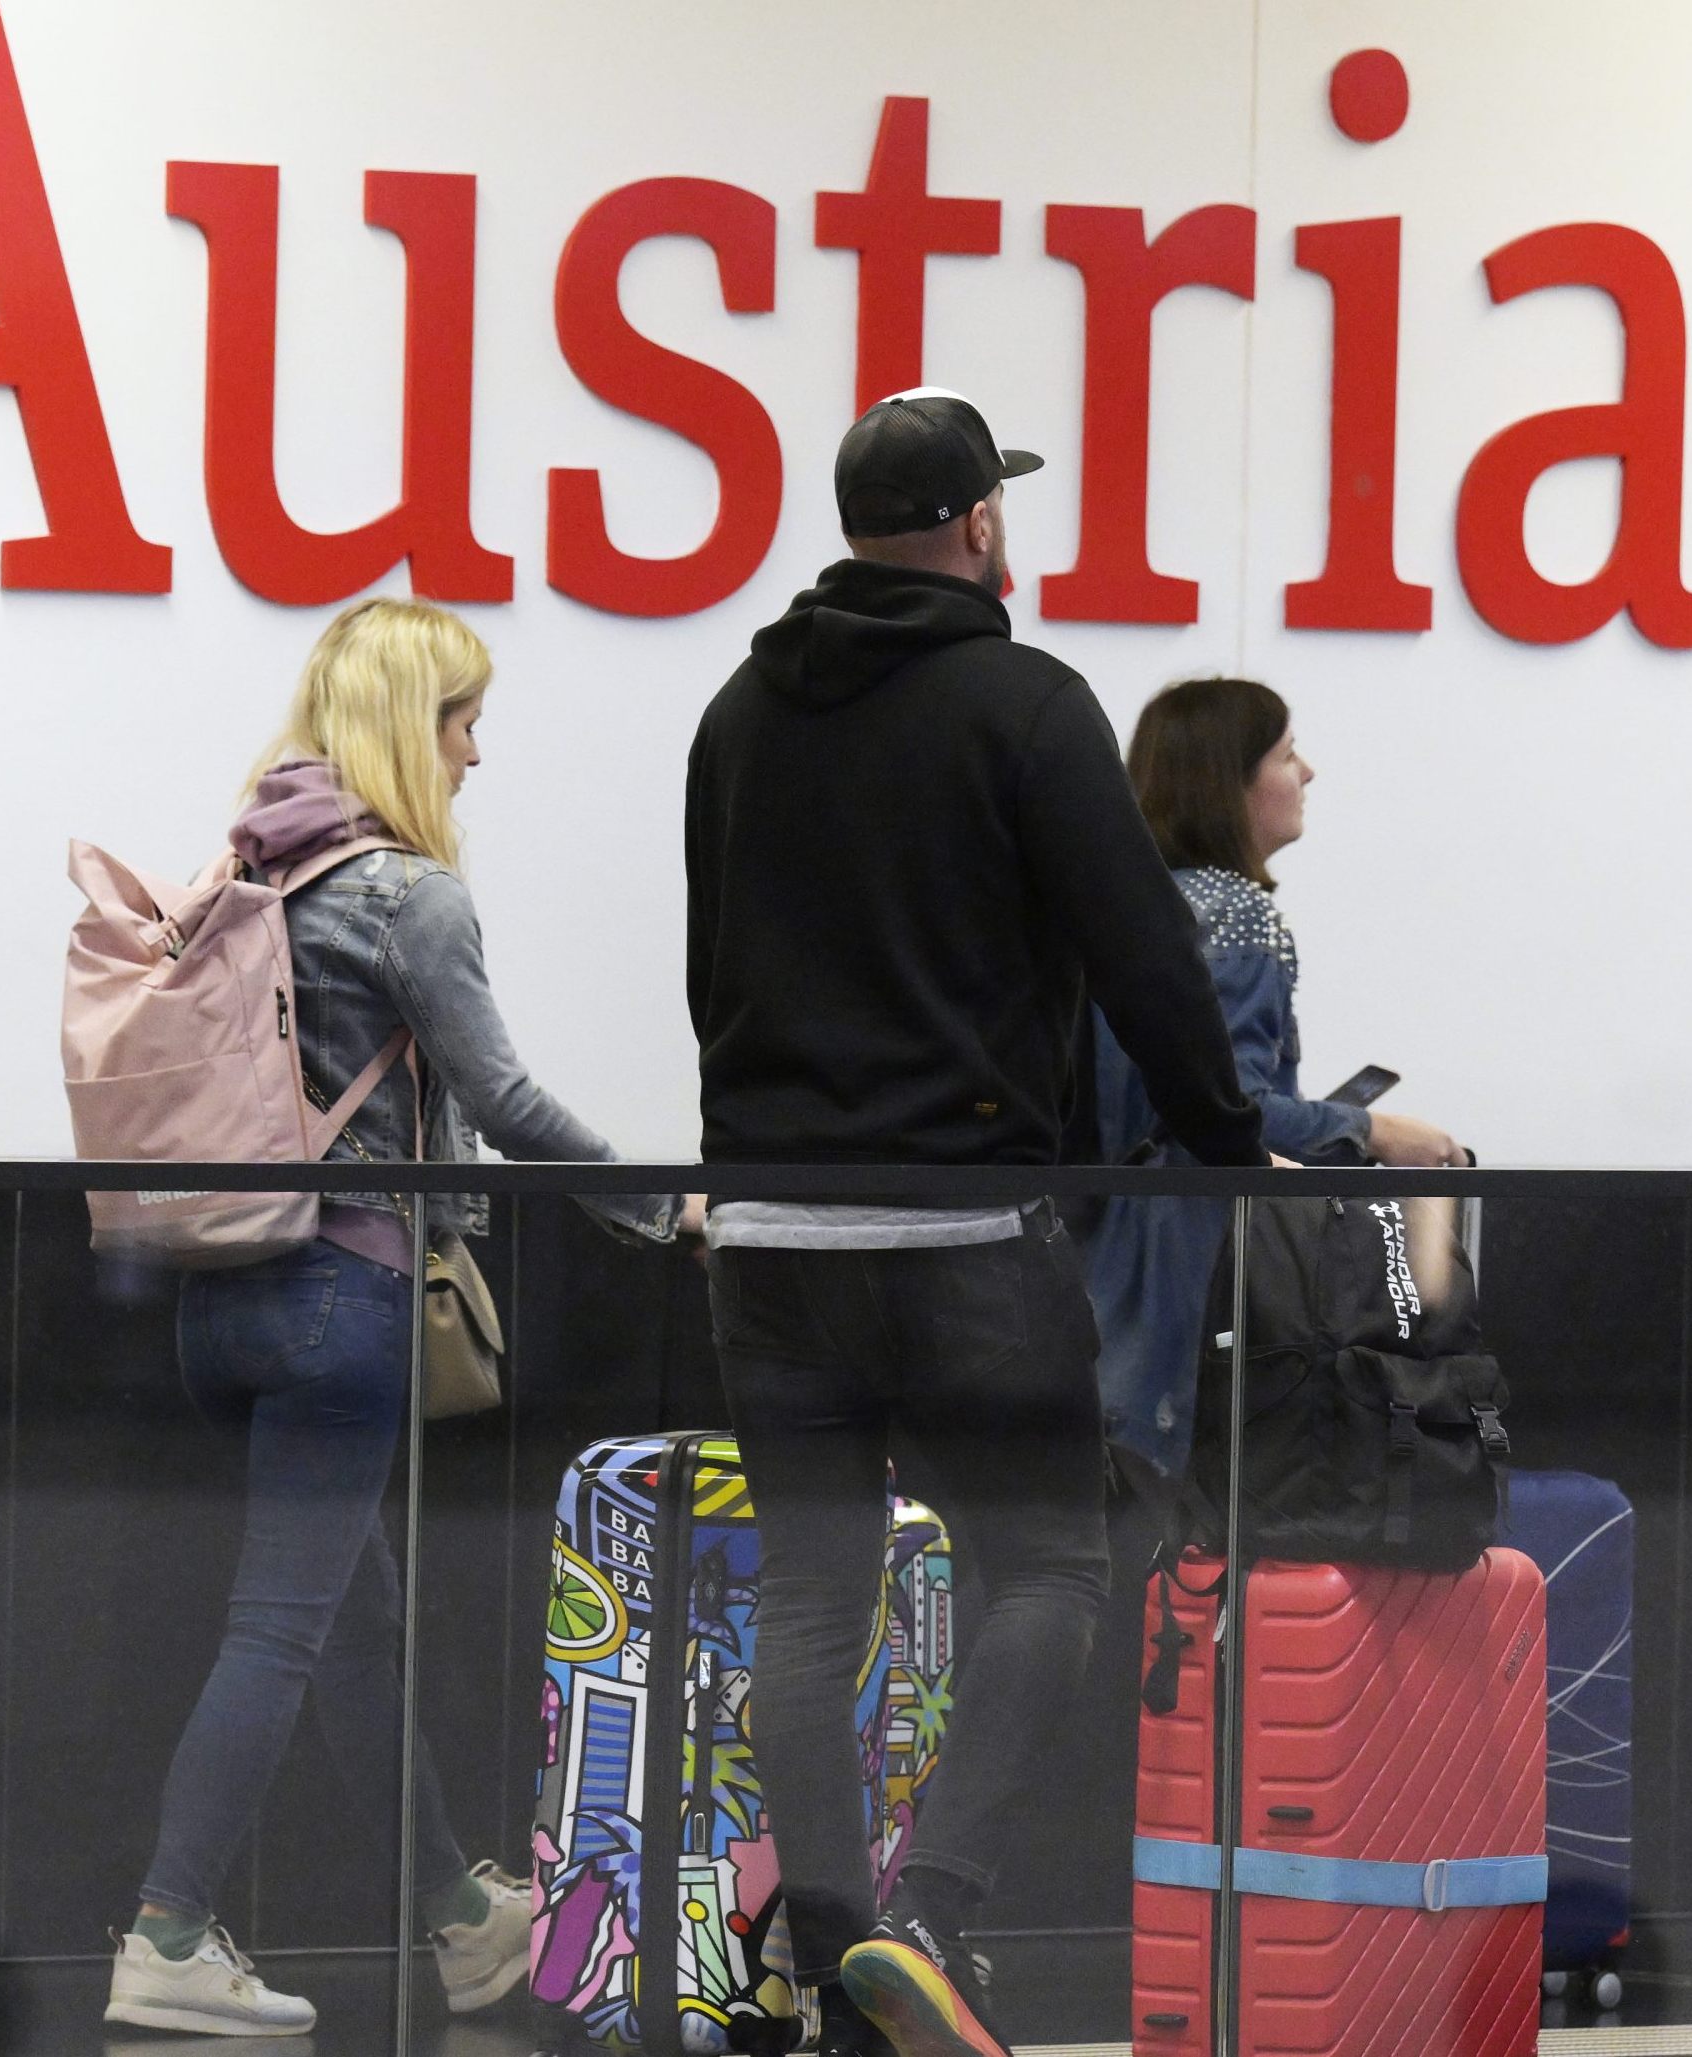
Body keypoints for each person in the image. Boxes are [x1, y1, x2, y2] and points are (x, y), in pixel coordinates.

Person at [684, 389, 1267, 2057]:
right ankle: (931, 1905)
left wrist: (753, 1166)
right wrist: (1223, 1141)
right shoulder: (1024, 701)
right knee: (1057, 1562)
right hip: (963, 1228)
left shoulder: (737, 712)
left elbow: (710, 966)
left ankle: (824, 1962)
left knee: (809, 1595)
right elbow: (1143, 952)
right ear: (980, 529)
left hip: (774, 1234)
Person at [106, 597, 698, 2038]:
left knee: (348, 1627)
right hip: (339, 1305)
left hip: (214, 1306)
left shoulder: (240, 875)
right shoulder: (407, 893)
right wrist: (661, 1205)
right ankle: (168, 1933)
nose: (477, 752)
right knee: (281, 1632)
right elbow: (502, 1098)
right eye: (462, 719)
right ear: (407, 727)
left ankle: (458, 1918)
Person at [1085, 675, 1464, 1475]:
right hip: (1192, 1269)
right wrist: (1372, 1129)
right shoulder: (1236, 914)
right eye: (1287, 753)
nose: (1308, 773)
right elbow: (1230, 1110)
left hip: (1099, 1258)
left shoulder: (1127, 906)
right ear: (1228, 782)